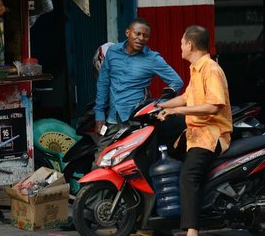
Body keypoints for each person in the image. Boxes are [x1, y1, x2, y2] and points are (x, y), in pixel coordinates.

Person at [156, 25, 232, 236]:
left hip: (210, 134)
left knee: (188, 177)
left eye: (182, 43)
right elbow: (186, 97)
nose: (180, 46)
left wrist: (177, 110)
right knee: (171, 157)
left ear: (190, 44)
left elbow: (213, 106)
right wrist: (160, 106)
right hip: (195, 133)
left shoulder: (210, 69)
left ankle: (192, 231)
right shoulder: (196, 68)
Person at [94, 17, 183, 134]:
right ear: (128, 33)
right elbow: (103, 83)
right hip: (112, 119)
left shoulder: (152, 58)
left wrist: (160, 104)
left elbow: (177, 82)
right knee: (103, 151)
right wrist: (99, 114)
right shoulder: (112, 52)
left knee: (136, 153)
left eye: (145, 36)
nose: (141, 38)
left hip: (136, 121)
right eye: (137, 34)